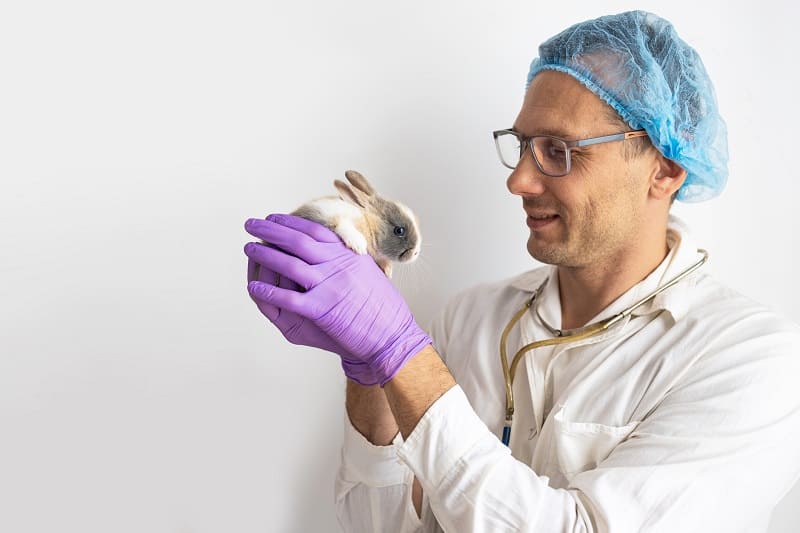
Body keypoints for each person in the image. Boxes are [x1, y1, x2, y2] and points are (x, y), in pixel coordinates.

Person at [243, 10, 800, 532]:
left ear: (666, 170)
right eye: (524, 145)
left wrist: (401, 355)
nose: (519, 181)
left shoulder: (750, 360)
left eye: (559, 150)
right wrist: (368, 370)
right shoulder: (471, 319)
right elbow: (379, 524)